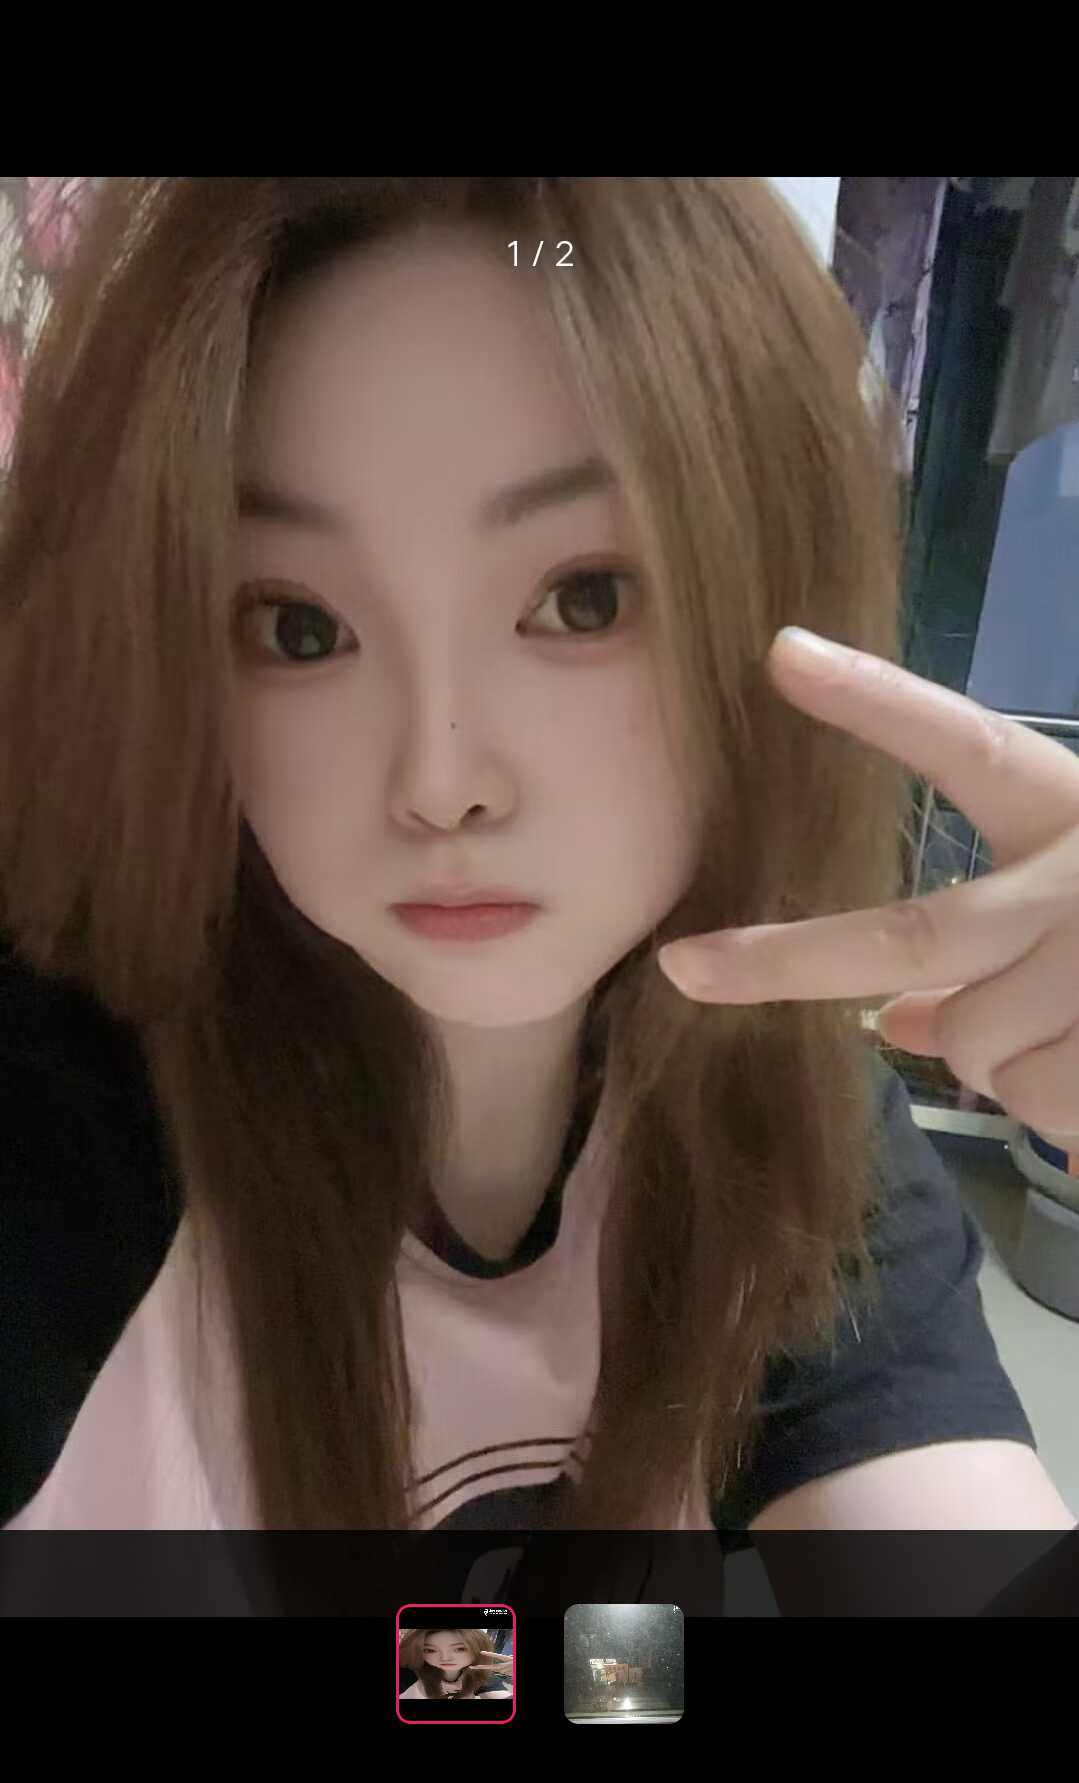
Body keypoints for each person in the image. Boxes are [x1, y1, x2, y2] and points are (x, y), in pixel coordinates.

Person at [0, 178, 1073, 1549]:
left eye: (581, 598)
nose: (439, 781)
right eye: (297, 625)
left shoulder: (761, 1100)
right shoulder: (55, 1128)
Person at [398, 1627, 513, 1700]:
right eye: (430, 1650)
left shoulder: (479, 1674)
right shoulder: (409, 1674)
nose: (445, 1658)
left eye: (460, 1649)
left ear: (477, 1648)